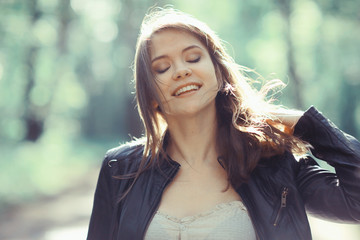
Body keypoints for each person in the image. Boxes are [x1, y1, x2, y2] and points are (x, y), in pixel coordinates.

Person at [87, 8, 360, 240]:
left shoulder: (273, 163)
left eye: (193, 58)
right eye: (162, 68)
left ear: (219, 73)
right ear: (151, 95)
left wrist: (305, 124)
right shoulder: (119, 170)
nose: (181, 70)